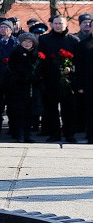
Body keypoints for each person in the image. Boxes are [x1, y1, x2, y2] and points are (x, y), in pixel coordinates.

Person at [37, 14, 79, 142]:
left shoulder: (74, 40)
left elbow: (79, 61)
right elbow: (41, 60)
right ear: (51, 25)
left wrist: (70, 69)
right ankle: (54, 133)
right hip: (50, 80)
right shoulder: (45, 40)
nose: (58, 26)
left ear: (66, 24)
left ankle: (69, 134)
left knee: (69, 109)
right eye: (55, 23)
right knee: (51, 109)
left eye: (60, 23)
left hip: (68, 82)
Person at [6, 33, 44, 143]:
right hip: (19, 87)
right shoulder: (16, 52)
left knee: (29, 112)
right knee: (19, 112)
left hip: (32, 87)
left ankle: (27, 134)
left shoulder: (37, 54)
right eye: (25, 41)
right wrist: (25, 76)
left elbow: (40, 69)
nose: (27, 44)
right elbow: (14, 69)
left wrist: (36, 76)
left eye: (30, 42)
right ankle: (19, 134)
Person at [0, 18, 19, 139]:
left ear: (11, 30)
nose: (3, 29)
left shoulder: (16, 42)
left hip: (12, 78)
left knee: (13, 106)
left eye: (6, 27)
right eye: (1, 27)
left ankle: (13, 130)